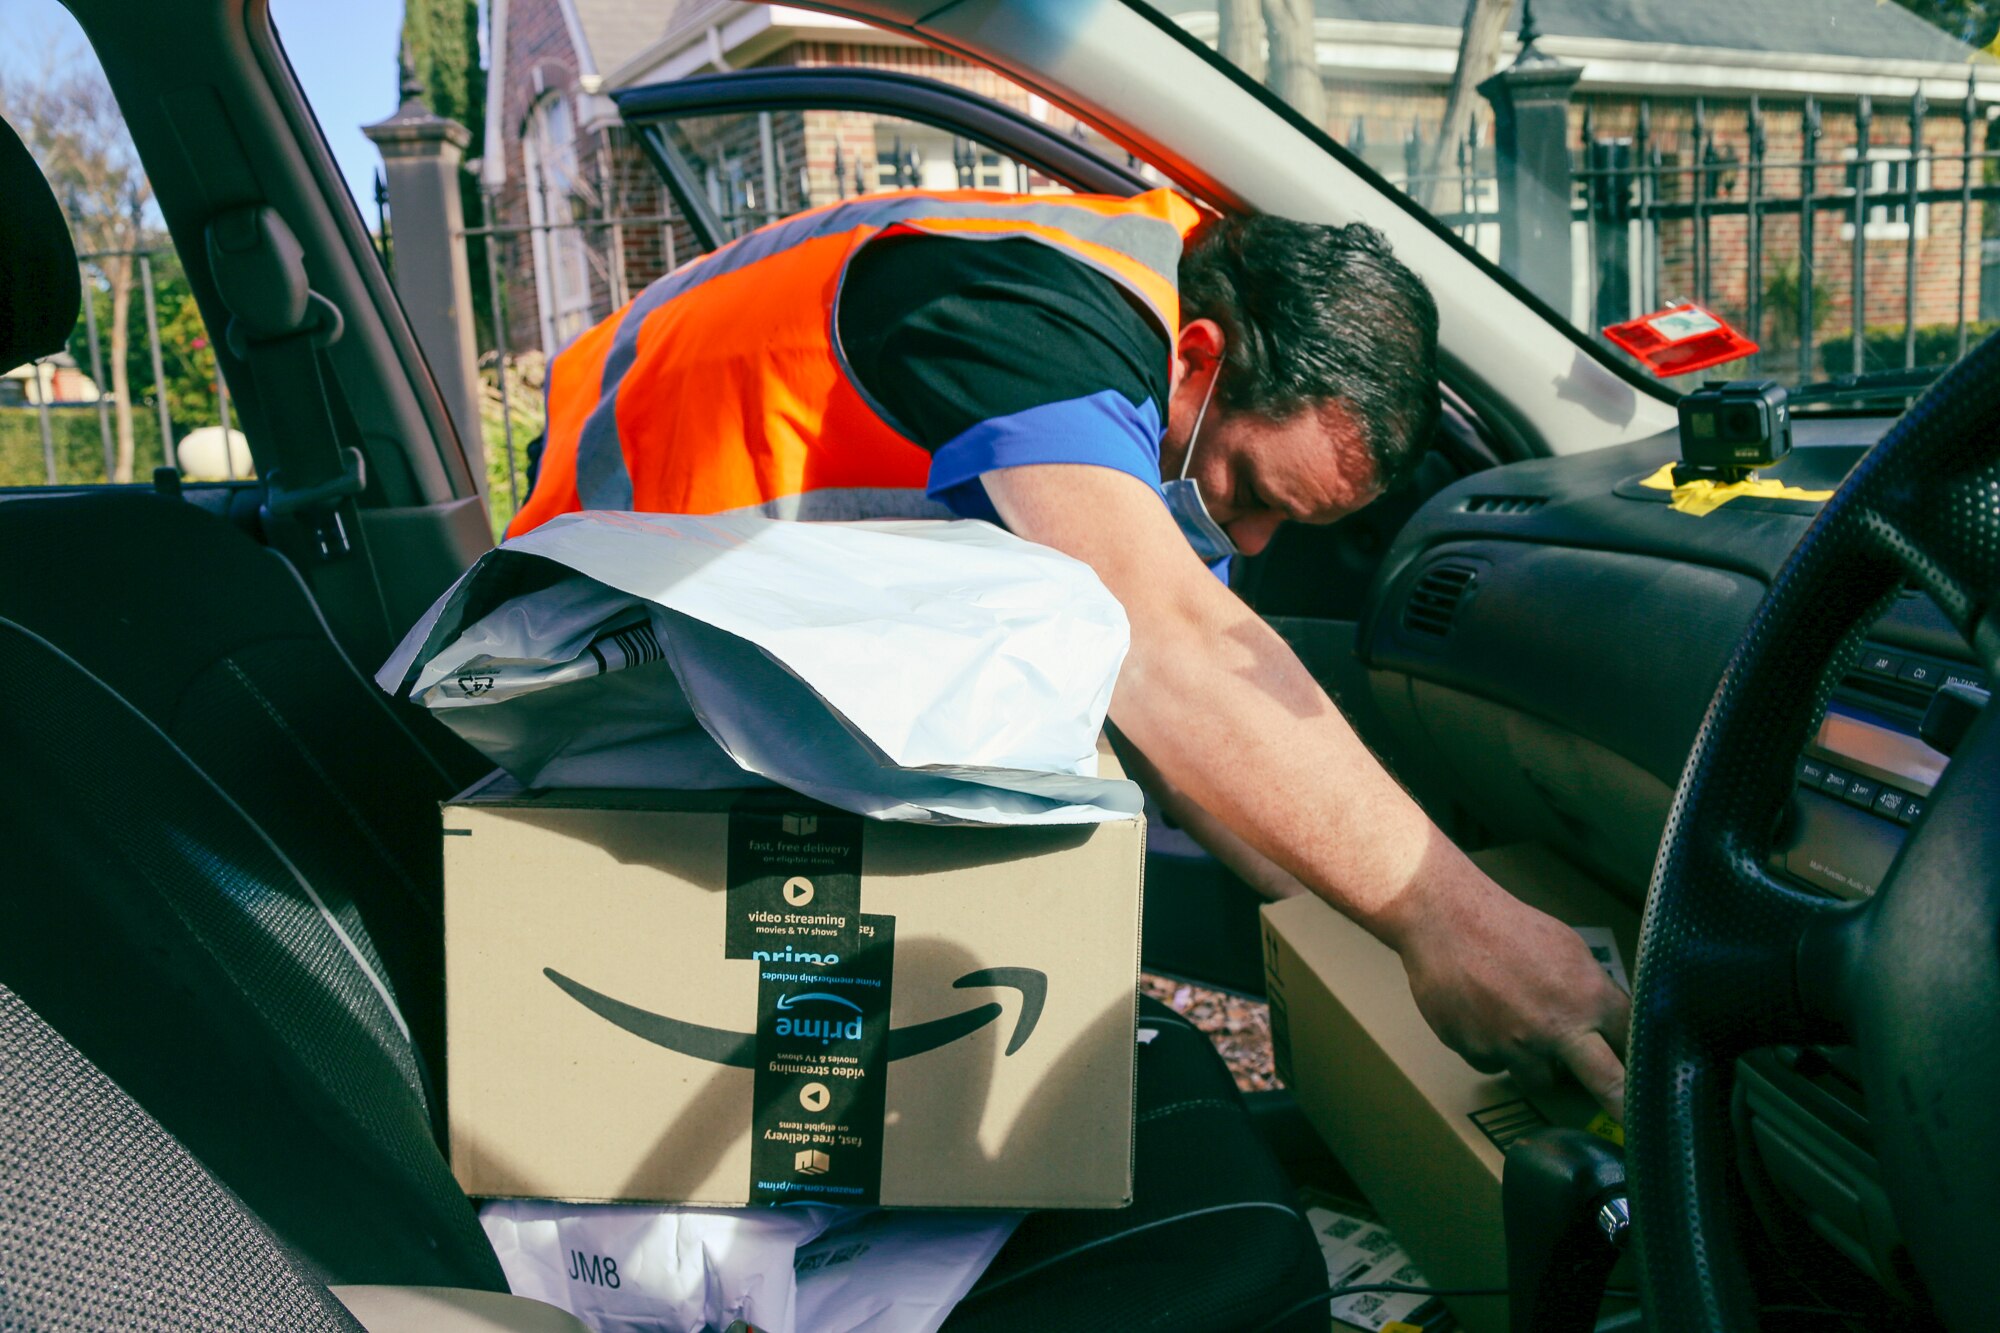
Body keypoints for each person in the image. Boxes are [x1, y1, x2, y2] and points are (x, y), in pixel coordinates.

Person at [510, 187, 1631, 1118]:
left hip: (725, 687)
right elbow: (1163, 647)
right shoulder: (1032, 306)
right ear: (1195, 357)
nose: (1246, 540)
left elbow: (1173, 727)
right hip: (596, 689)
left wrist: (1327, 905)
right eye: (1247, 489)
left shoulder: (1125, 337)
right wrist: (1459, 924)